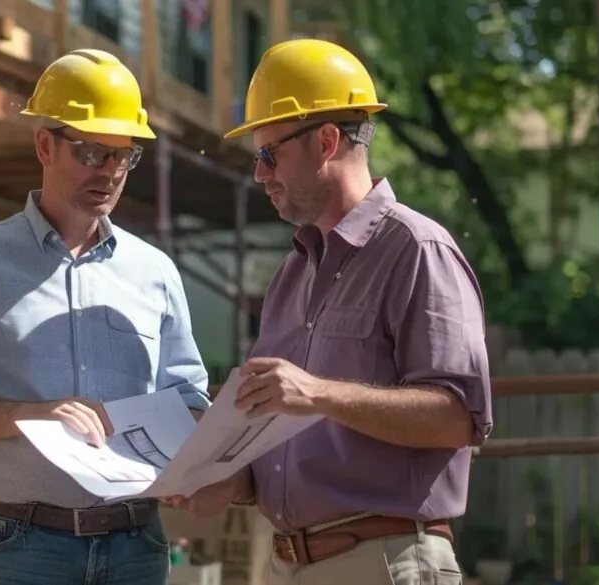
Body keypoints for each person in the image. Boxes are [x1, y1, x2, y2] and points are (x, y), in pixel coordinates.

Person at [165, 38, 493, 584]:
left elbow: (459, 417)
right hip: (286, 563)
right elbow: (286, 437)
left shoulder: (417, 249)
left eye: (269, 153)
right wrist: (230, 483)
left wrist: (318, 393)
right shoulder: (292, 273)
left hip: (386, 562)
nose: (259, 174)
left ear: (325, 141)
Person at [0, 48, 211, 585]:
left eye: (122, 157)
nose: (108, 172)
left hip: (136, 546)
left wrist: (190, 458)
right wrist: (31, 416)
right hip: (15, 550)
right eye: (91, 153)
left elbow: (189, 400)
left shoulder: (155, 272)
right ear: (45, 144)